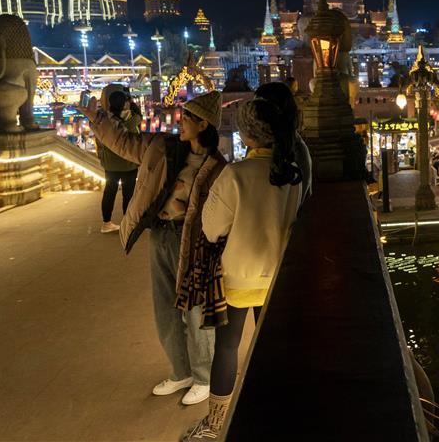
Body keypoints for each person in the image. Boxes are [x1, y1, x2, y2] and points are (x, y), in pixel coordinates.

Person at [76, 91, 225, 407]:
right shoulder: (164, 147)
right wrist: (97, 119)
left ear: (203, 124)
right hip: (161, 233)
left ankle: (204, 377)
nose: (179, 122)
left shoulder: (218, 166)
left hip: (195, 241)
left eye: (187, 118)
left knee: (195, 309)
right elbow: (125, 142)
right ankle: (181, 371)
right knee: (165, 307)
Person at [182, 84, 310, 440]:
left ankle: (216, 426)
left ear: (249, 134)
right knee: (270, 346)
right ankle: (274, 413)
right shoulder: (292, 175)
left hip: (237, 277)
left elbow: (210, 228)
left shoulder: (235, 175)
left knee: (228, 346)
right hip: (277, 277)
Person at [96, 85, 142, 233]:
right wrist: (131, 101)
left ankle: (106, 223)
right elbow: (138, 114)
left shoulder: (105, 119)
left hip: (110, 163)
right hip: (128, 162)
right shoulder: (130, 119)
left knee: (109, 191)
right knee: (128, 194)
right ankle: (127, 223)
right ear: (124, 103)